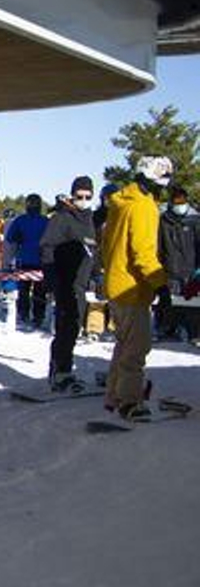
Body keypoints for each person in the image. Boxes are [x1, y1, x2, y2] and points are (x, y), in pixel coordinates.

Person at [101, 157, 171, 420]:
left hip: (116, 283)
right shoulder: (144, 206)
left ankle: (114, 395)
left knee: (123, 344)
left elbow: (106, 245)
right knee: (136, 349)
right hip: (132, 289)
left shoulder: (120, 202)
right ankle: (129, 402)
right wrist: (160, 284)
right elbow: (143, 253)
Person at [40, 177, 98, 393]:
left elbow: (93, 252)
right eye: (79, 196)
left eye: (88, 196)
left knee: (75, 327)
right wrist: (51, 280)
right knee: (65, 328)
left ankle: (66, 368)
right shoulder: (62, 218)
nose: (83, 200)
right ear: (72, 195)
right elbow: (47, 248)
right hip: (64, 282)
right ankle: (59, 371)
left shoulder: (90, 220)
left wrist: (96, 275)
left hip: (81, 284)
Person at [155, 186, 199, 342]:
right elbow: (159, 246)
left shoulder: (195, 221)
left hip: (190, 269)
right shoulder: (164, 221)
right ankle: (166, 329)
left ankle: (193, 332)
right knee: (167, 302)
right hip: (169, 268)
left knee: (191, 302)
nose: (180, 205)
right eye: (177, 202)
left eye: (182, 201)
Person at [5, 195, 50, 330]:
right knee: (39, 292)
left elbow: (10, 239)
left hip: (24, 259)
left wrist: (10, 259)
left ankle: (23, 314)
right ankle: (38, 316)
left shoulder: (20, 220)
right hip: (40, 261)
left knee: (23, 290)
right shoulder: (45, 221)